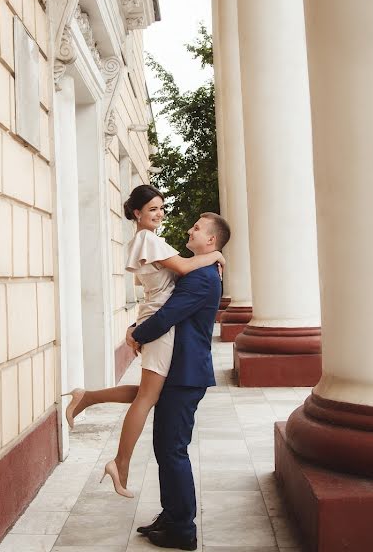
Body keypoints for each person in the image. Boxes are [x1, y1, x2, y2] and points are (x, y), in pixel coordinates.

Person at [60, 185, 224, 498]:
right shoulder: (149, 239)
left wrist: (137, 325)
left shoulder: (143, 240)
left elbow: (156, 283)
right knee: (148, 398)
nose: (159, 214)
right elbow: (187, 267)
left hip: (152, 318)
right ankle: (120, 464)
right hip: (159, 326)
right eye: (152, 209)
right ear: (137, 213)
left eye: (161, 208)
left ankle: (88, 398)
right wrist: (215, 254)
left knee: (152, 392)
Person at [129, 211, 230, 551]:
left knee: (172, 449)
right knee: (165, 447)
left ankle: (182, 529)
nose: (190, 229)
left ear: (212, 240)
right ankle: (172, 515)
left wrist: (135, 335)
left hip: (186, 373)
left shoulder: (202, 279)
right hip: (179, 369)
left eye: (198, 228)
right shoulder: (203, 269)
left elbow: (169, 314)